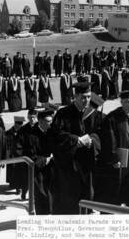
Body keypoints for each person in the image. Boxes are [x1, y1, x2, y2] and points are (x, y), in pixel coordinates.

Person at [49, 82, 101, 214]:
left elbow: (99, 133)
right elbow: (56, 135)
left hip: (87, 162)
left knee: (87, 196)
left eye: (89, 97)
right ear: (75, 97)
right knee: (70, 201)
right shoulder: (63, 113)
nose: (87, 100)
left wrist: (92, 140)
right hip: (69, 165)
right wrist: (76, 140)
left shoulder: (93, 114)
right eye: (83, 97)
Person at [95, 90, 129, 208]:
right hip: (119, 160)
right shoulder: (112, 118)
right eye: (126, 102)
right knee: (117, 189)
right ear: (121, 102)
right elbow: (109, 140)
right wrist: (113, 158)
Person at [24, 110, 54, 214]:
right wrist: (46, 159)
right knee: (41, 195)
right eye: (48, 121)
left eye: (51, 121)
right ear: (40, 122)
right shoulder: (31, 136)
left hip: (52, 169)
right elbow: (31, 156)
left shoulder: (52, 132)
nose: (51, 123)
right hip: (38, 171)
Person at [19, 109, 38, 199]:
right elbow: (19, 143)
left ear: (36, 117)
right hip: (27, 156)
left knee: (37, 177)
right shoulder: (23, 129)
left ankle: (35, 195)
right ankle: (24, 193)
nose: (31, 119)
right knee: (25, 177)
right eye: (30, 117)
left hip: (38, 156)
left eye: (33, 117)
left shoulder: (40, 127)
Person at [5, 116, 25, 195]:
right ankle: (14, 184)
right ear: (15, 123)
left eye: (21, 123)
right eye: (18, 123)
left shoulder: (24, 132)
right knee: (12, 170)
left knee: (19, 172)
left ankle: (18, 187)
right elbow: (7, 145)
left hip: (21, 154)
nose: (20, 125)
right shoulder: (8, 132)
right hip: (12, 155)